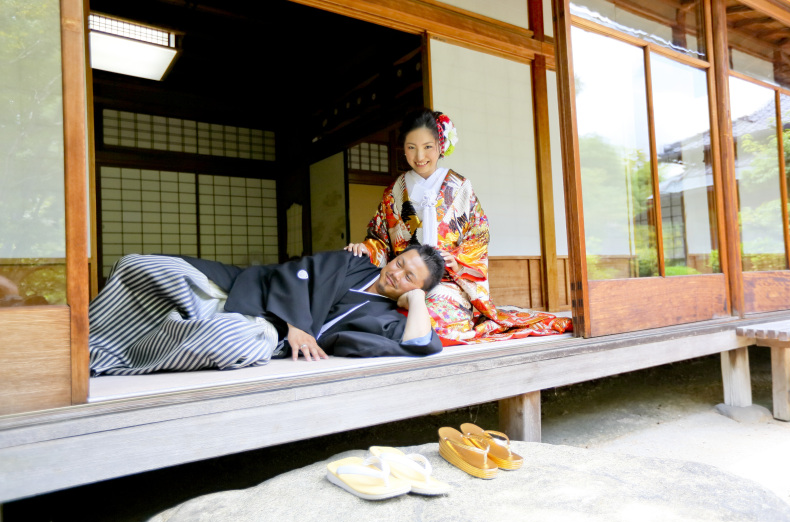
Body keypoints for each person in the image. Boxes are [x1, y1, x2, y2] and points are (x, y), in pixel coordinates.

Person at [346, 108, 571, 343]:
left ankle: (414, 305)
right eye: (411, 147)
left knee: (435, 323)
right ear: (403, 147)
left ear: (441, 146)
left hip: (446, 280)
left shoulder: (461, 187)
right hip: (403, 279)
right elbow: (380, 238)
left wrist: (458, 260)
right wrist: (366, 248)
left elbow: (478, 235)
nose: (419, 156)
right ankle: (406, 300)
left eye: (428, 147)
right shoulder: (394, 192)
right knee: (366, 309)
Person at [89, 245, 445, 376]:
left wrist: (416, 301)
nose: (395, 273)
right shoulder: (353, 262)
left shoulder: (387, 318)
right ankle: (85, 342)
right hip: (246, 290)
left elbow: (420, 344)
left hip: (265, 328)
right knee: (141, 266)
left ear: (419, 288)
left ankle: (114, 356)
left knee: (232, 339)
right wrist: (297, 322)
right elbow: (297, 272)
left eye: (409, 278)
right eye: (399, 262)